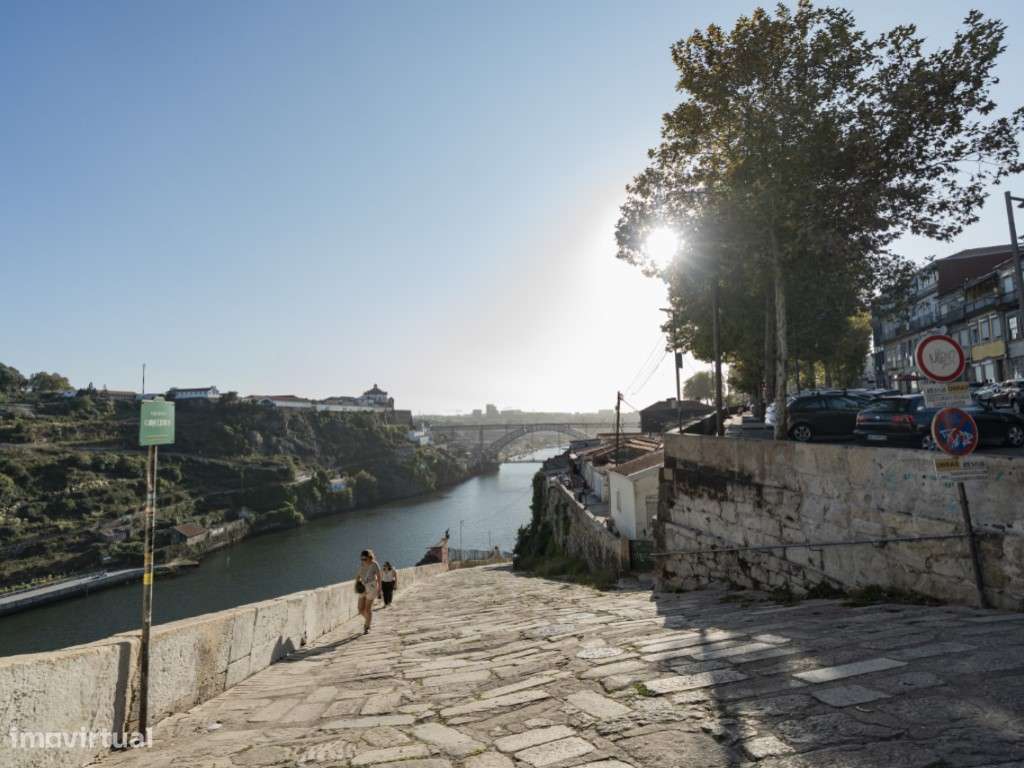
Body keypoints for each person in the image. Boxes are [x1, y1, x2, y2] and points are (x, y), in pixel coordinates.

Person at [355, 549, 382, 634]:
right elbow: (358, 575)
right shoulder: (362, 564)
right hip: (363, 587)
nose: (363, 560)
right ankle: (368, 620)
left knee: (367, 609)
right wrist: (357, 583)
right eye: (362, 559)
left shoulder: (374, 564)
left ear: (370, 557)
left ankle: (367, 626)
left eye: (365, 559)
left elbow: (379, 577)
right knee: (360, 609)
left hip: (371, 587)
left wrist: (379, 589)